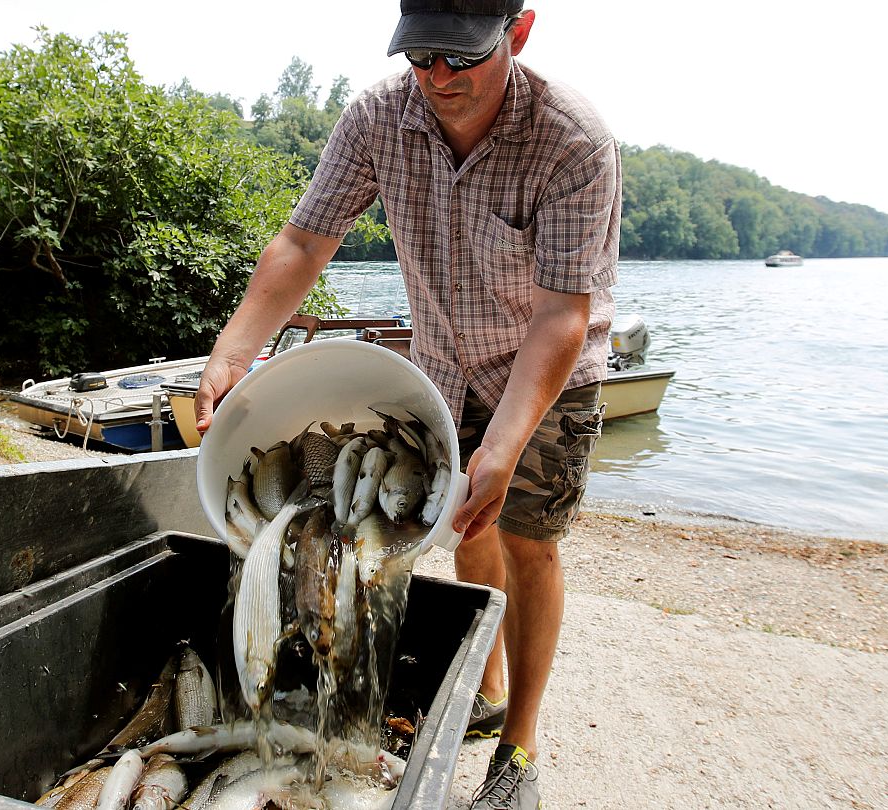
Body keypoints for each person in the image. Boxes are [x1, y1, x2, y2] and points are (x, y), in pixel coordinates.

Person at [192, 3, 620, 807]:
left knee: (528, 542)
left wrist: (506, 443)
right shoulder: (379, 117)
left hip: (548, 372)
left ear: (518, 33)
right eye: (420, 58)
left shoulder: (573, 140)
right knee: (465, 532)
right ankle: (484, 689)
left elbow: (563, 315)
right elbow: (304, 243)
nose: (438, 80)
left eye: (460, 59)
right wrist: (233, 351)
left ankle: (520, 748)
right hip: (439, 367)